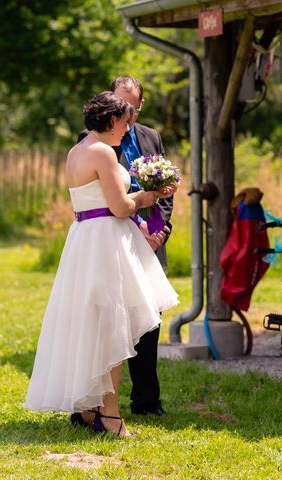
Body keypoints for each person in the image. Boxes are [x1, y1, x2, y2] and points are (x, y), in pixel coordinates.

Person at [25, 92, 179, 437]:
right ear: (110, 121)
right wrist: (151, 196)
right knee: (112, 326)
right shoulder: (102, 153)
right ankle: (110, 414)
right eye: (125, 122)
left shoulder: (76, 151)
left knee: (94, 324)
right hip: (105, 241)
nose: (128, 129)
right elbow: (120, 207)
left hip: (85, 237)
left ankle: (88, 409)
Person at [110, 75, 173, 417]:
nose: (127, 113)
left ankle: (147, 401)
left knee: (150, 321)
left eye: (132, 107)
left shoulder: (152, 136)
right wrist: (138, 229)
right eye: (121, 105)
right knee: (116, 319)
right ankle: (104, 401)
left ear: (140, 106)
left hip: (152, 242)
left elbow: (166, 190)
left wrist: (158, 233)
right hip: (118, 236)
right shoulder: (98, 140)